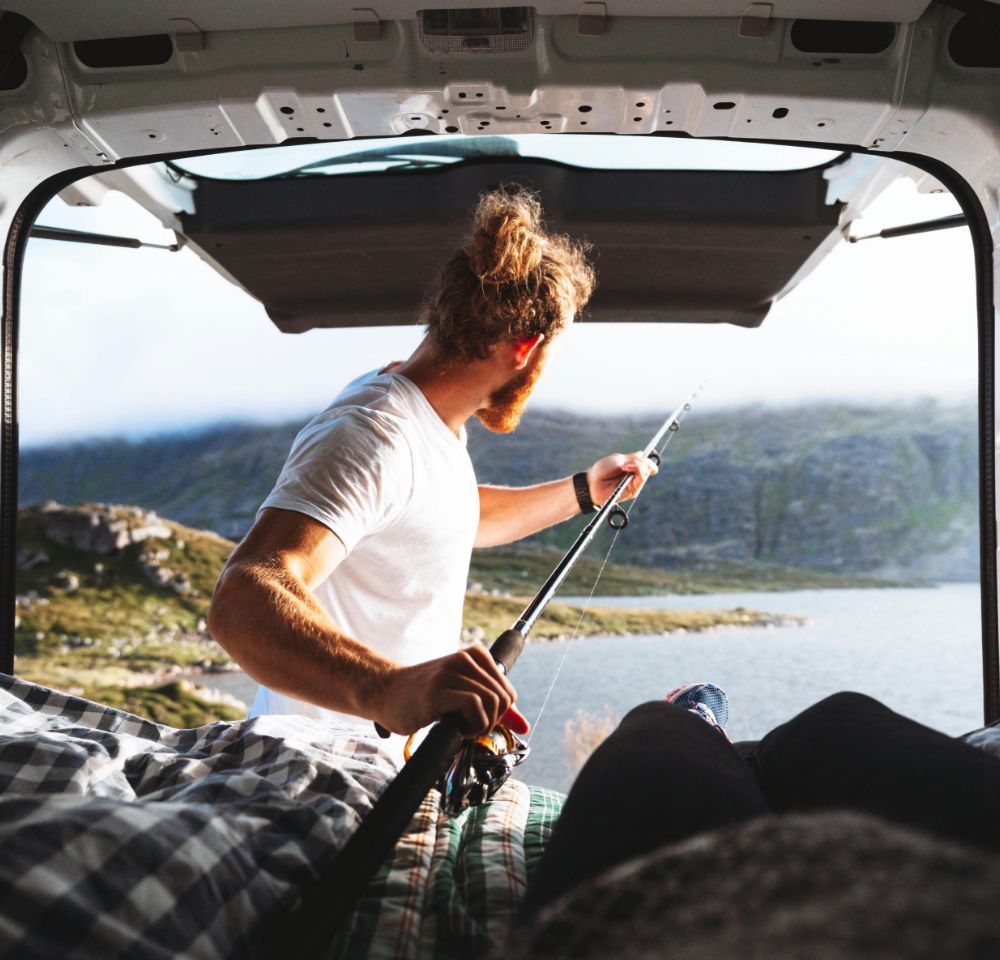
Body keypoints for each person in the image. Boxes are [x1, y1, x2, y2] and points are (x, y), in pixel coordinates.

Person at [207, 185, 658, 759]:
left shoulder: (428, 417)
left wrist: (581, 491)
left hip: (381, 763)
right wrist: (387, 689)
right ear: (526, 347)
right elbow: (244, 595)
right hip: (313, 758)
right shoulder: (374, 432)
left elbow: (445, 514)